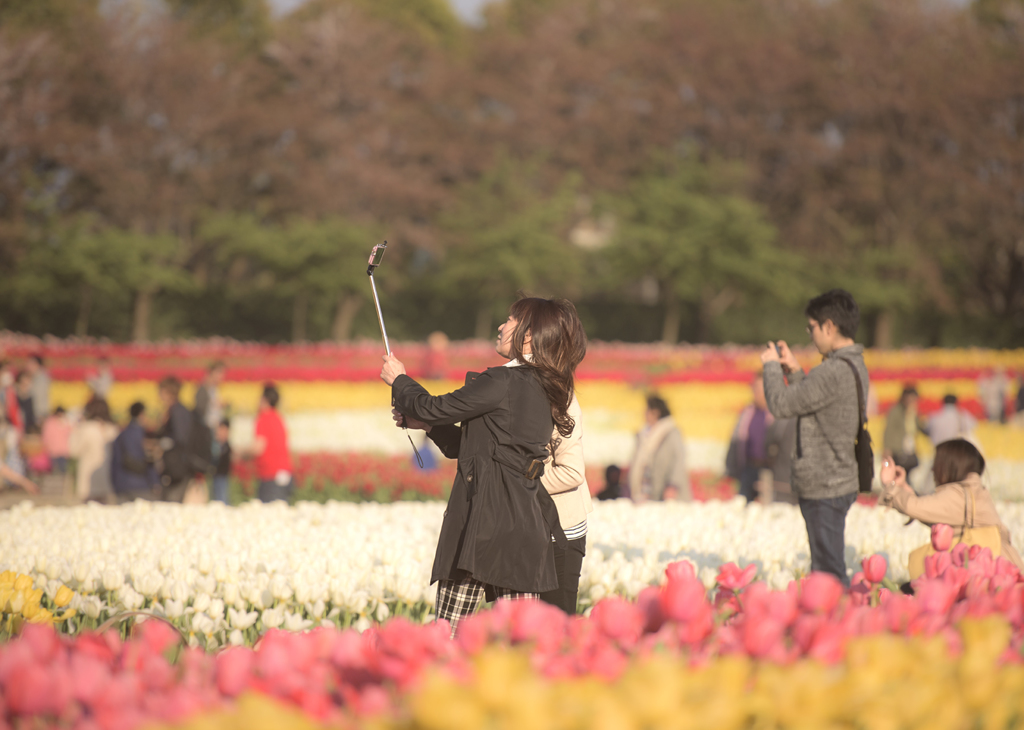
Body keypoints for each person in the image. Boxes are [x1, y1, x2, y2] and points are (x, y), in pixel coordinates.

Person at [381, 297, 582, 635]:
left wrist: (399, 380)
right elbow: (475, 448)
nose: (501, 327)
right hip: (522, 530)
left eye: (509, 321)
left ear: (529, 335)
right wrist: (426, 426)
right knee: (523, 645)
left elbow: (433, 406)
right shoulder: (544, 383)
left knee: (446, 638)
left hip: (482, 526)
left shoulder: (501, 382)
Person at [760, 288, 869, 586]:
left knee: (827, 571)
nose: (810, 335)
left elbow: (781, 405)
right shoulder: (854, 365)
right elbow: (815, 403)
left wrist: (770, 366)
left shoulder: (832, 371)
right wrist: (795, 372)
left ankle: (836, 625)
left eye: (812, 328)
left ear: (829, 327)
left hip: (825, 484)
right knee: (827, 563)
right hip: (840, 479)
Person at [879, 438, 1024, 571]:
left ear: (949, 465)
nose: (932, 469)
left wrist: (889, 484)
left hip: (991, 575)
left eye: (936, 463)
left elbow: (915, 507)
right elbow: (929, 509)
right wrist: (903, 486)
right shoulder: (972, 490)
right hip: (1001, 567)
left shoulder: (960, 495)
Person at [629, 395, 690, 502]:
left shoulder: (671, 433)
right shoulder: (644, 434)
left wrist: (673, 485)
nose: (644, 413)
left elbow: (680, 460)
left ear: (656, 412)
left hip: (668, 492)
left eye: (647, 410)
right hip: (647, 492)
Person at [725, 374, 775, 504]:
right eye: (755, 389)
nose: (758, 393)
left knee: (768, 506)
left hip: (769, 470)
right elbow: (736, 440)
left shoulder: (776, 414)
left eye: (761, 389)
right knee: (744, 504)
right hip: (748, 468)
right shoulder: (747, 413)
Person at [248, 384, 292, 503]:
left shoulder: (263, 418)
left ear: (264, 400)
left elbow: (258, 447)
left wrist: (242, 454)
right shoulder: (279, 418)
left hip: (270, 475)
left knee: (269, 515)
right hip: (285, 473)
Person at [69, 398, 118, 502]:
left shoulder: (87, 429)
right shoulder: (113, 429)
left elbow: (74, 451)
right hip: (107, 479)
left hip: (88, 479)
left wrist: (76, 428)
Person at [111, 402, 160, 503]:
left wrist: (115, 485)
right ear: (141, 415)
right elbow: (149, 461)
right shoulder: (144, 436)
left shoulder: (121, 436)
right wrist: (155, 482)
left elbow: (115, 462)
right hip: (142, 486)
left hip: (122, 485)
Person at [156, 375, 194, 502]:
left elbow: (180, 438)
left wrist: (162, 443)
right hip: (176, 465)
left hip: (178, 466)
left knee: (171, 503)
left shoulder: (177, 411)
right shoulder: (175, 410)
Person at [882, 385, 928, 483]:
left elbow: (917, 428)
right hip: (898, 449)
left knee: (906, 476)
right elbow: (889, 430)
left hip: (909, 449)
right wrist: (887, 449)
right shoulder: (896, 411)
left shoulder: (912, 412)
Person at [194, 361, 226, 431]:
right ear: (213, 373)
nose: (222, 376)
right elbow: (200, 411)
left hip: (214, 428)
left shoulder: (214, 389)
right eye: (220, 373)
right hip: (206, 429)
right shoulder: (204, 389)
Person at [41, 406, 72, 474]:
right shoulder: (50, 422)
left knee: (62, 471)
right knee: (54, 471)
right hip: (53, 451)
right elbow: (46, 436)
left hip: (63, 451)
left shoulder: (65, 421)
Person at [211, 418, 232, 504]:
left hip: (223, 476)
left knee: (222, 499)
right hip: (216, 476)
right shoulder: (216, 444)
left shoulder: (226, 446)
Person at [25, 355, 50, 427]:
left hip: (40, 414)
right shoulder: (34, 377)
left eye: (31, 364)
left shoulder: (41, 379)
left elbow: (38, 397)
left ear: (37, 365)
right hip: (37, 413)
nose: (28, 366)